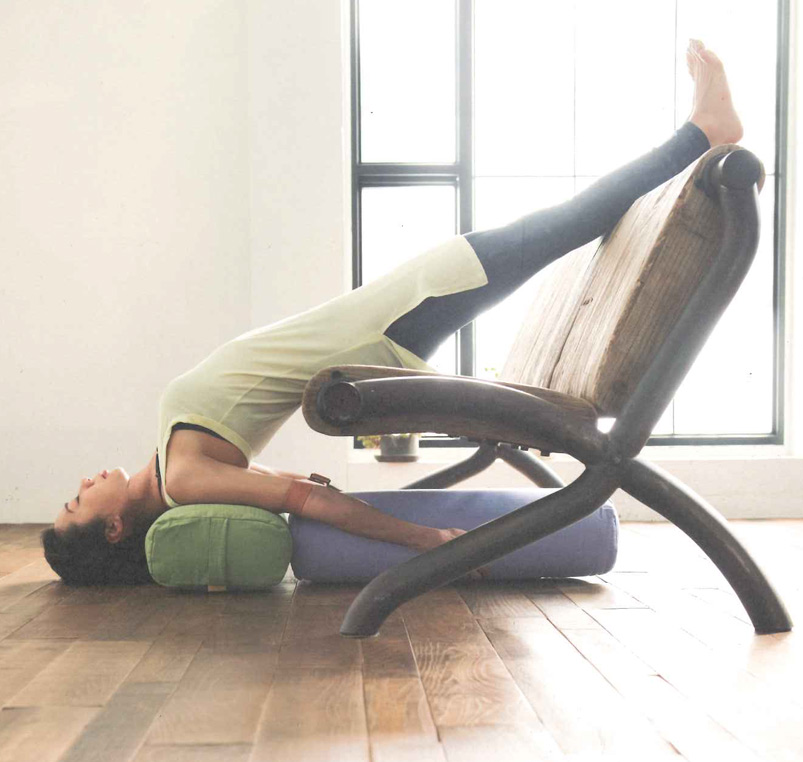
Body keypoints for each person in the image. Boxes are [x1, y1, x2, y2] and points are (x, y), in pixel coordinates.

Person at [42, 40, 744, 585]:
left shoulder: (173, 465)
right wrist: (426, 543)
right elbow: (310, 504)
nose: (81, 486)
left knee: (550, 231)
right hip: (386, 322)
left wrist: (293, 483)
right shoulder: (185, 480)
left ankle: (700, 132)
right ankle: (702, 134)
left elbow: (275, 472)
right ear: (113, 529)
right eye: (78, 504)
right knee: (558, 226)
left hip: (384, 314)